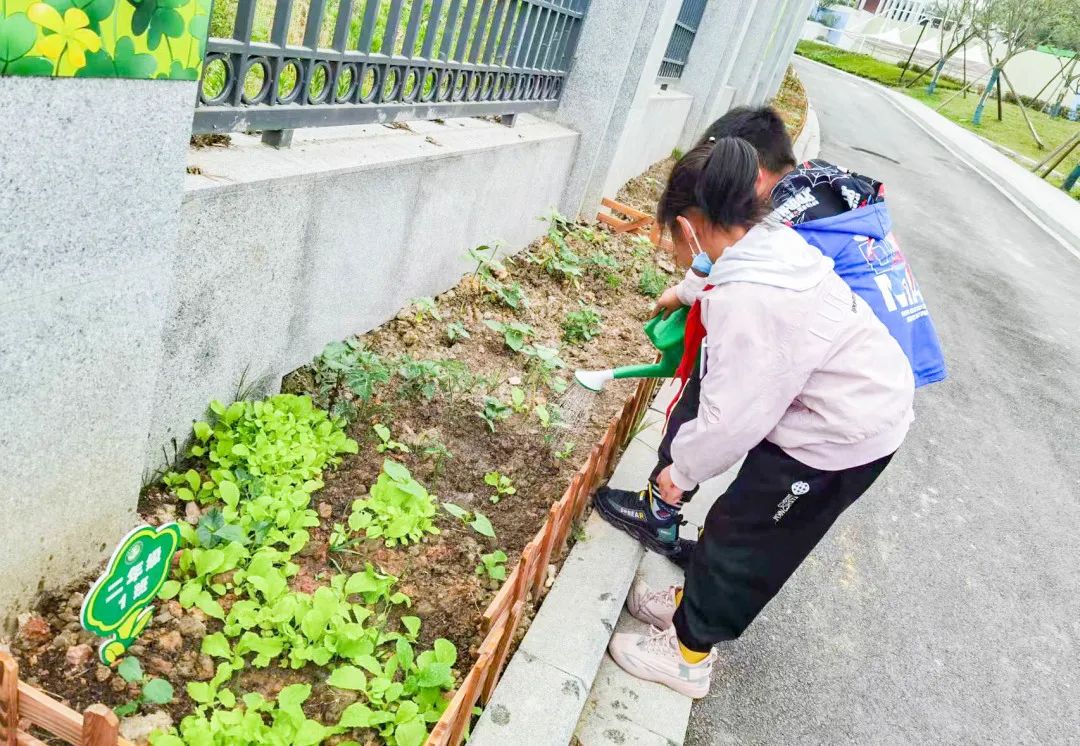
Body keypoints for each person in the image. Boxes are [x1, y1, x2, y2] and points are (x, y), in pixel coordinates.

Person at [604, 136, 915, 698]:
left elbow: (731, 421)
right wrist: (684, 290)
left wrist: (679, 473)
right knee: (739, 517)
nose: (675, 249)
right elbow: (718, 271)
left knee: (748, 538)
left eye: (670, 235)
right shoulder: (765, 239)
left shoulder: (752, 302)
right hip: (837, 402)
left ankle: (688, 654)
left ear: (689, 225)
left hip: (844, 431)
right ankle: (687, 604)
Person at [594, 107, 945, 565]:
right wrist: (686, 291)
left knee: (724, 406)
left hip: (848, 389)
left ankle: (666, 511)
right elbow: (734, 256)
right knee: (748, 466)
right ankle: (707, 550)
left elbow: (733, 406)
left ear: (751, 177)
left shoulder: (784, 235)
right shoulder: (815, 188)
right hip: (880, 355)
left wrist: (681, 469)